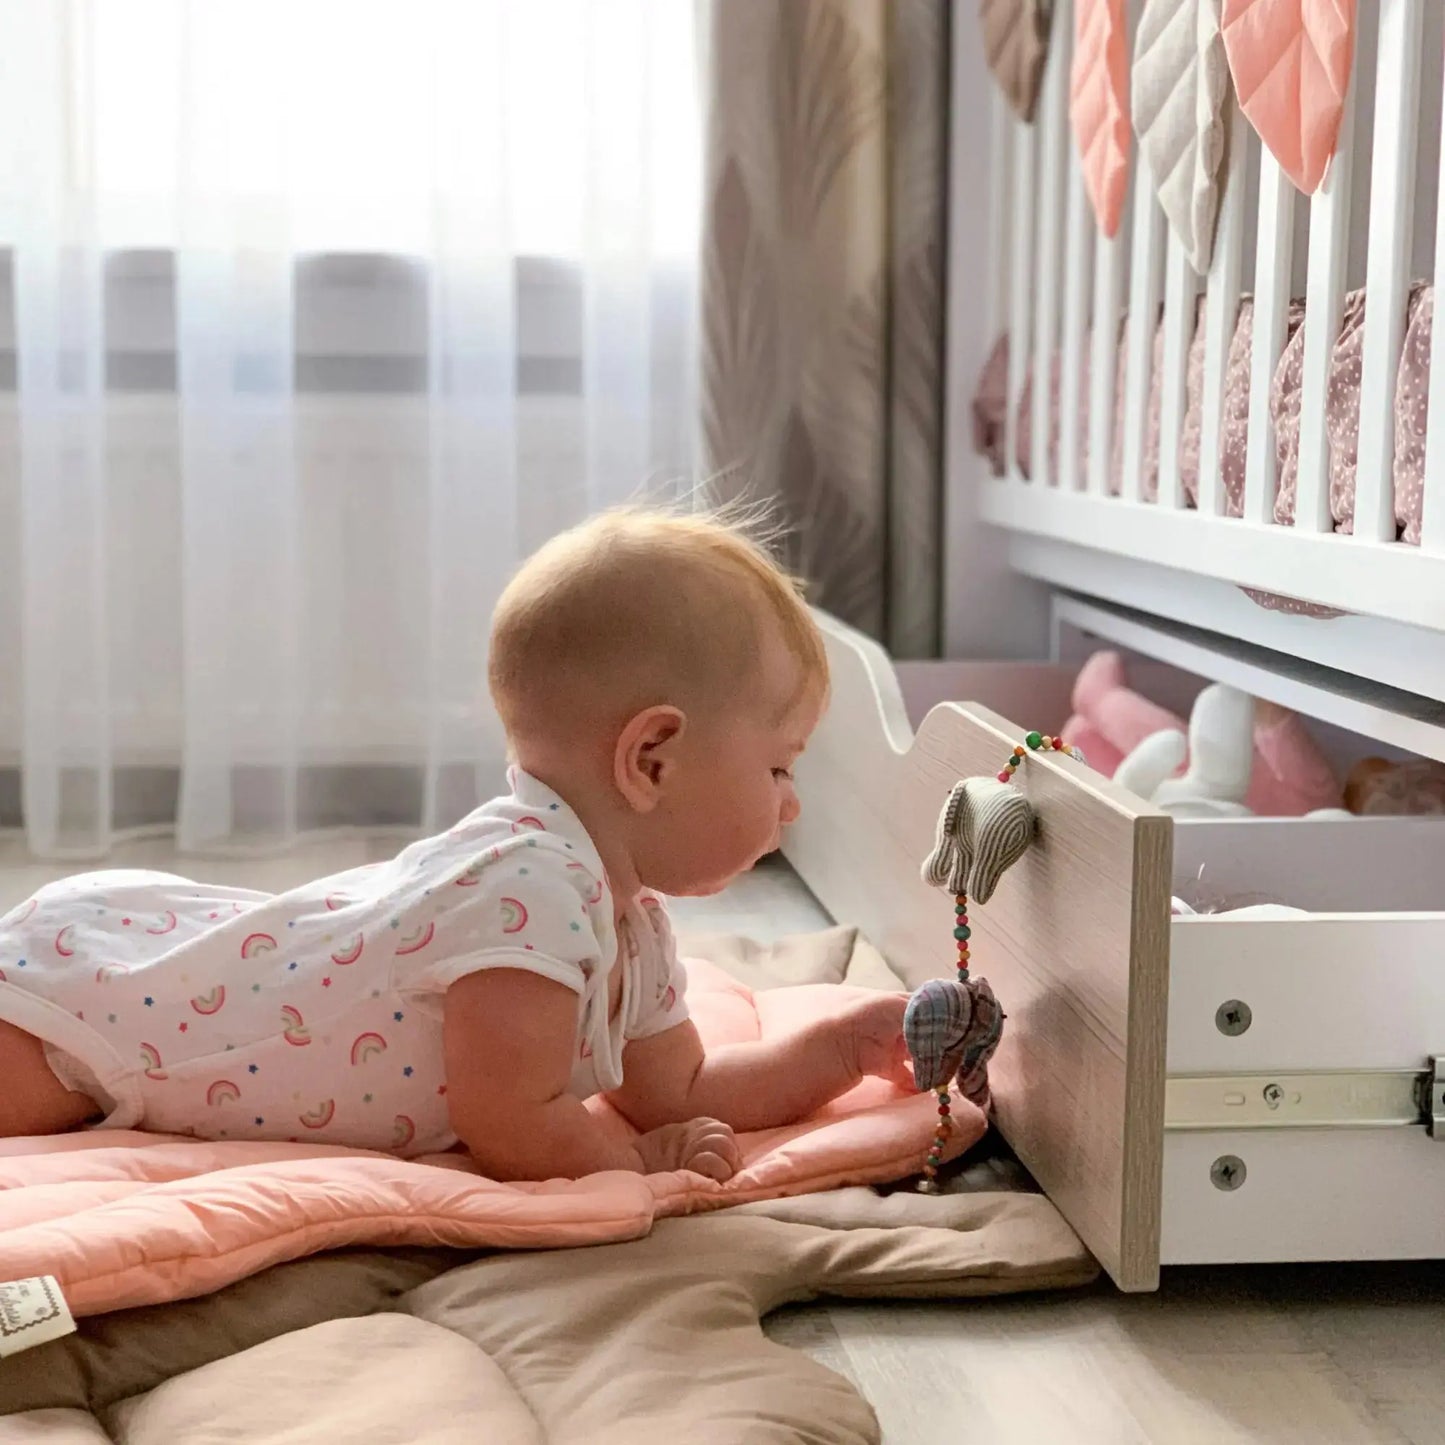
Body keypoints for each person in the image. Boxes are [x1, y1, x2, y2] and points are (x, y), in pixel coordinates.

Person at [0, 508, 910, 1182]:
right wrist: (638, 1162)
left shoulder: (626, 918)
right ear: (652, 759)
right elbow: (514, 1122)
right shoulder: (531, 894)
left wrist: (836, 1052)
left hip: (152, 963)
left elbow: (682, 1086)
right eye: (781, 770)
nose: (789, 809)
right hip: (99, 1016)